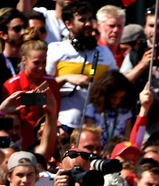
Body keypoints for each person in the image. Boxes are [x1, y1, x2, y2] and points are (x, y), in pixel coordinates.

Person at [45, 1, 117, 131]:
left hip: (95, 127)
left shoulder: (105, 52)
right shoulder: (55, 50)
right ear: (68, 24)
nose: (88, 24)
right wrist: (66, 78)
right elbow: (42, 88)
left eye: (90, 19)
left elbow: (117, 87)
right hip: (62, 124)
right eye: (82, 20)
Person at [3, 27, 59, 151]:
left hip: (45, 145)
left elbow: (55, 114)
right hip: (20, 145)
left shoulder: (51, 83)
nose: (41, 67)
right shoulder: (11, 85)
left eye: (44, 62)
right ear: (24, 60)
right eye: (36, 63)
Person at [84, 71, 136, 146]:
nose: (117, 101)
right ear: (104, 94)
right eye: (113, 97)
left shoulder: (126, 112)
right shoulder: (91, 110)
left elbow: (127, 138)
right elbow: (92, 136)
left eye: (121, 97)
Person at [0, 9, 27, 86]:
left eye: (25, 27)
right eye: (17, 29)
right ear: (3, 35)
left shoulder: (31, 61)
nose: (23, 32)